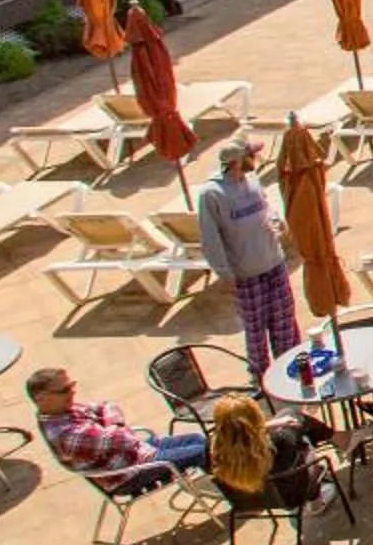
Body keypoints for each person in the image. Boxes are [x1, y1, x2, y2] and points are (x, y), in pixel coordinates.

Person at [197, 138, 297, 378]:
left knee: (284, 320)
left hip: (274, 263)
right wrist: (225, 273)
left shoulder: (253, 181)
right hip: (246, 274)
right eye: (250, 155)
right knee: (255, 330)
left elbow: (267, 208)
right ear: (235, 162)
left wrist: (276, 222)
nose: (255, 159)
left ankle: (290, 368)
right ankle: (260, 377)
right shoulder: (212, 194)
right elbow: (210, 238)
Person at [29, 368, 207, 486]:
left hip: (136, 452)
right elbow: (120, 439)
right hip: (129, 471)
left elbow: (107, 405)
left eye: (72, 385)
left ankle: (225, 484)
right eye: (64, 390)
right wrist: (117, 427)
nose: (72, 392)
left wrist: (114, 427)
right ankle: (231, 493)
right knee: (207, 450)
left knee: (200, 440)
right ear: (41, 398)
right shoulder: (66, 435)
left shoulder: (63, 410)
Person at [206, 394, 335, 513]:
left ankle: (340, 438)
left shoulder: (212, 451)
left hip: (253, 501)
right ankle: (316, 501)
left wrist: (269, 425)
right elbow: (296, 430)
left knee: (289, 418)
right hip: (292, 497)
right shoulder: (279, 440)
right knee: (302, 436)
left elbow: (240, 433)